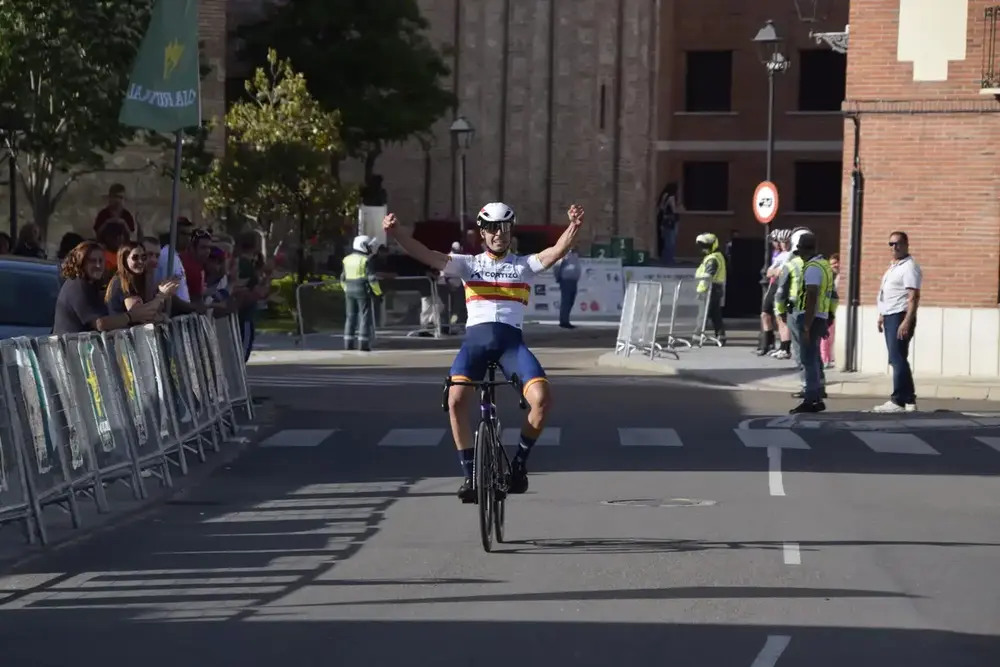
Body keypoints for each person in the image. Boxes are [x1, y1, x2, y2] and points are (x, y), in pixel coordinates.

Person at [384, 201, 584, 502]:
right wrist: (397, 233)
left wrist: (573, 227)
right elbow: (425, 254)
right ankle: (470, 476)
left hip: (511, 346)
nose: (498, 233)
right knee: (455, 401)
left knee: (542, 400)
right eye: (491, 227)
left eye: (504, 227)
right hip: (474, 346)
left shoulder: (523, 266)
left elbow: (555, 251)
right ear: (482, 232)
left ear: (510, 230)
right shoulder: (468, 264)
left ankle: (518, 467)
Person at [53, 241, 159, 335]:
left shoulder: (94, 284)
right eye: (92, 261)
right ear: (81, 262)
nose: (98, 265)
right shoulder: (77, 285)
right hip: (68, 351)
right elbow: (100, 324)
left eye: (101, 260)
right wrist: (131, 317)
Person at [873, 231, 921, 413]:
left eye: (898, 243)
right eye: (891, 244)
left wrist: (906, 321)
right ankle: (909, 399)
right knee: (898, 357)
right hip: (890, 315)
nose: (894, 247)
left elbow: (913, 296)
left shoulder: (909, 267)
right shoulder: (895, 266)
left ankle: (898, 400)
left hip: (900, 316)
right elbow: (889, 293)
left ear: (906, 244)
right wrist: (881, 315)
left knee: (896, 358)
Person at [788, 232, 836, 414]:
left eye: (799, 249)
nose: (798, 252)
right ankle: (815, 397)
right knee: (814, 358)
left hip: (810, 318)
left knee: (808, 360)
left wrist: (807, 325)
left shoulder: (812, 268)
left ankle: (811, 399)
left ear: (802, 249)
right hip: (821, 316)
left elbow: (812, 296)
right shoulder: (823, 265)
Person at [105, 241, 179, 318]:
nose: (140, 261)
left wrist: (166, 294)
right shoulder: (121, 281)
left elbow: (153, 311)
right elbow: (140, 314)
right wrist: (161, 295)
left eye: (143, 257)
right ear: (124, 260)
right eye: (135, 257)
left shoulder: (140, 279)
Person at [341, 235, 384, 351]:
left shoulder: (346, 259)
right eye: (369, 246)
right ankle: (363, 344)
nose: (370, 249)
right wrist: (378, 293)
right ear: (363, 246)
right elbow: (372, 279)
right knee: (365, 316)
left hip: (349, 289)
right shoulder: (366, 260)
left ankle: (348, 343)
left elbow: (342, 278)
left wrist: (346, 289)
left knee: (350, 316)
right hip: (362, 289)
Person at [694, 232, 727, 345]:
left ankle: (697, 338)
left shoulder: (712, 259)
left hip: (709, 290)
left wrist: (700, 285)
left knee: (702, 315)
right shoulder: (716, 256)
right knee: (715, 315)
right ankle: (721, 337)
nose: (703, 249)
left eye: (705, 247)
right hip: (715, 289)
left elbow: (708, 276)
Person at [820, 253, 840, 368]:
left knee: (829, 335)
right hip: (829, 309)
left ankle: (828, 358)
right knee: (826, 335)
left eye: (836, 262)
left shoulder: (839, 277)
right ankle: (825, 358)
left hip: (833, 309)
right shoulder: (830, 277)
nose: (835, 265)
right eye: (832, 264)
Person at [553, 246, 581, 329]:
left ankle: (566, 320)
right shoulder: (564, 254)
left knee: (571, 301)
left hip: (574, 281)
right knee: (566, 300)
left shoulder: (575, 255)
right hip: (566, 280)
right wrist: (558, 277)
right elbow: (557, 266)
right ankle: (563, 321)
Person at [656, 183, 679, 264]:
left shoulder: (664, 196)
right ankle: (670, 259)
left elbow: (661, 207)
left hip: (664, 220)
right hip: (671, 221)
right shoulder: (671, 197)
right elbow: (674, 210)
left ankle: (664, 259)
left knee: (666, 240)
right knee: (671, 240)